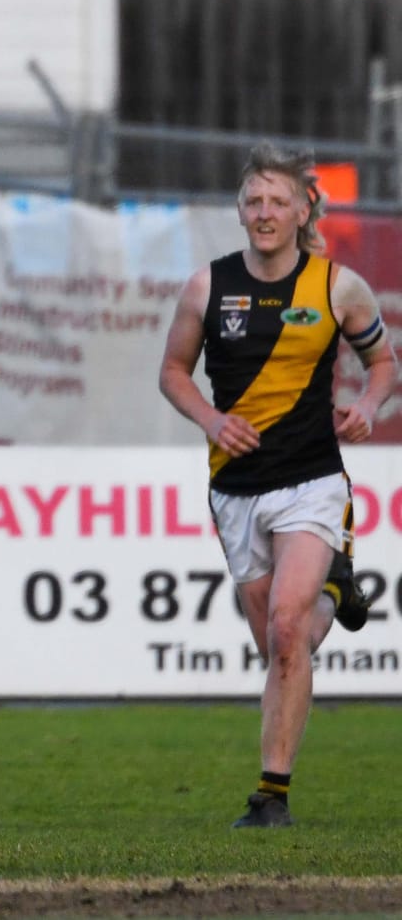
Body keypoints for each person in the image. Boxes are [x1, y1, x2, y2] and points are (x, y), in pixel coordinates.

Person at [157, 143, 385, 829]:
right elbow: (172, 371)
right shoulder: (207, 285)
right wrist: (211, 418)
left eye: (277, 201)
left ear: (302, 209)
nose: (264, 212)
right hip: (235, 487)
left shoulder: (338, 286)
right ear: (239, 209)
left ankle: (270, 796)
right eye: (253, 200)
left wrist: (369, 406)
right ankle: (339, 590)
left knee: (288, 627)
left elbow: (383, 363)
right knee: (281, 644)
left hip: (312, 478)